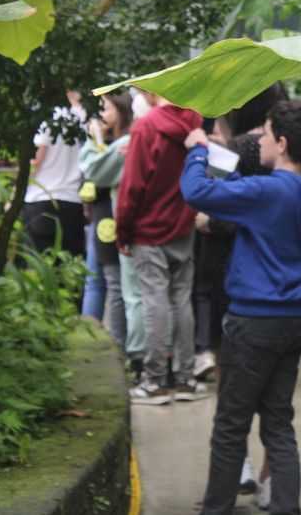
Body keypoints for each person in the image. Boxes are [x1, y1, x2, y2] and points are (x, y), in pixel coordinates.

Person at [181, 101, 301, 515]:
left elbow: (197, 192)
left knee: (230, 425)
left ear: (281, 144)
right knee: (279, 424)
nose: (258, 141)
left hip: (253, 321)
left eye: (265, 135)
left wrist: (197, 149)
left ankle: (216, 509)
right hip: (293, 319)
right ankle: (287, 508)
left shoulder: (266, 191)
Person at [116, 91, 203, 404]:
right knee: (181, 300)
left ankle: (153, 381)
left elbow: (133, 185)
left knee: (153, 301)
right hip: (182, 225)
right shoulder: (194, 123)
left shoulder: (146, 127)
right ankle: (185, 378)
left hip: (147, 228)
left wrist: (122, 230)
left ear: (154, 93)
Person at [79, 93, 136, 356]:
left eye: (107, 108)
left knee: (114, 285)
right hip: (103, 222)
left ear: (121, 110)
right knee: (98, 281)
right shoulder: (123, 142)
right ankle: (98, 341)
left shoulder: (124, 143)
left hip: (113, 223)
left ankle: (117, 348)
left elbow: (93, 175)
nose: (101, 114)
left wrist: (97, 141)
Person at [21, 91, 87, 256]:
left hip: (41, 199)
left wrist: (14, 195)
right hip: (73, 202)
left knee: (42, 267)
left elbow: (36, 159)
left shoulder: (47, 114)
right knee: (70, 265)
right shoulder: (85, 115)